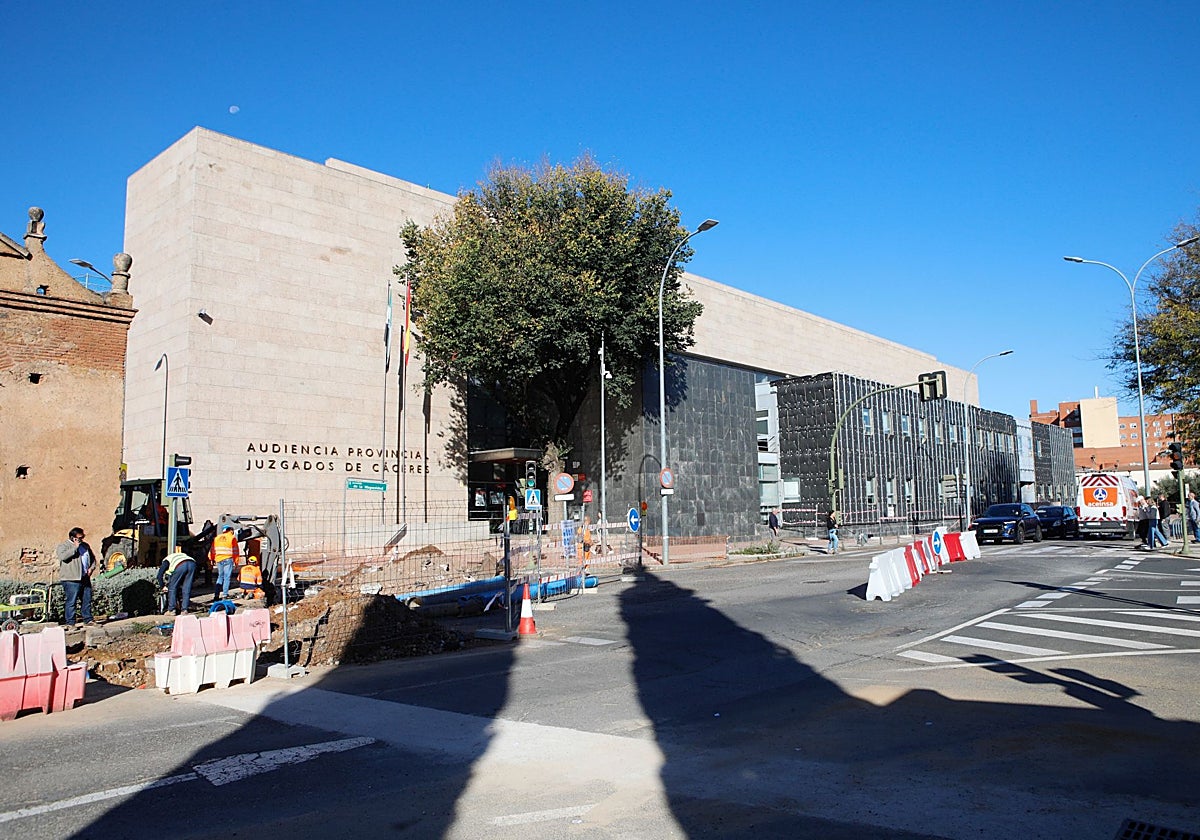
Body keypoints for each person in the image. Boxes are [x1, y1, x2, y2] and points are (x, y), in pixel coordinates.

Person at [55, 527, 95, 628]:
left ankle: (88, 620)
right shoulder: (63, 546)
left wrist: (91, 568)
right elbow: (63, 557)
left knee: (87, 600)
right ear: (73, 538)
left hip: (84, 577)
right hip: (71, 579)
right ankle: (70, 623)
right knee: (71, 601)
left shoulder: (85, 546)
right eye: (80, 538)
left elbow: (92, 558)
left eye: (83, 537)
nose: (82, 539)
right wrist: (75, 548)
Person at [157, 550, 196, 615]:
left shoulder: (166, 561)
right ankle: (184, 610)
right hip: (192, 563)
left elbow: (159, 575)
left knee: (172, 588)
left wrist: (163, 586)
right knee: (186, 588)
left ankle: (171, 610)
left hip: (181, 565)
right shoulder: (179, 555)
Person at [209, 523, 240, 599]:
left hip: (219, 559)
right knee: (227, 577)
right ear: (230, 530)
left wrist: (212, 559)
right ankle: (224, 595)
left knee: (220, 577)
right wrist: (236, 562)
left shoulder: (217, 538)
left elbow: (212, 549)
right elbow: (235, 551)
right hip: (228, 559)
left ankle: (216, 595)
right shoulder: (232, 538)